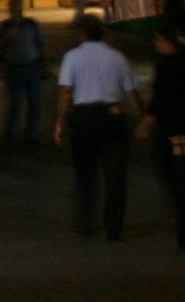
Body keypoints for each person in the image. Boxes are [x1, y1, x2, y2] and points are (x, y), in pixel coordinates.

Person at [55, 14, 144, 239]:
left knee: (85, 173)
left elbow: (66, 92)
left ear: (82, 34)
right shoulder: (117, 57)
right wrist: (141, 119)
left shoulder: (72, 57)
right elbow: (132, 93)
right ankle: (113, 226)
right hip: (112, 117)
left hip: (84, 117)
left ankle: (86, 222)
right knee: (115, 175)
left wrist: (60, 122)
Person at [138, 26, 185, 220]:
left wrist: (145, 125)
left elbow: (159, 100)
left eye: (159, 41)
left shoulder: (165, 66)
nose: (156, 44)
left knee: (173, 166)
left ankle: (184, 210)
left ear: (169, 44)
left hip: (175, 129)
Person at [0, 0, 47, 143]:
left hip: (31, 67)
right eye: (13, 4)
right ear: (9, 7)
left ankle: (31, 133)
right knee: (14, 102)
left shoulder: (31, 24)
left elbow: (41, 44)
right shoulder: (4, 26)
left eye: (18, 3)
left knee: (34, 102)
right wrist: (7, 37)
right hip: (13, 68)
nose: (16, 7)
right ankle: (10, 129)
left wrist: (43, 63)